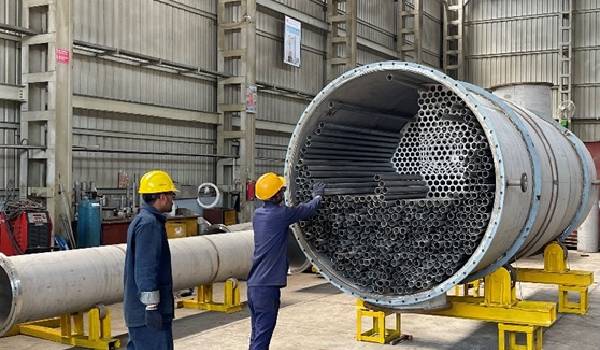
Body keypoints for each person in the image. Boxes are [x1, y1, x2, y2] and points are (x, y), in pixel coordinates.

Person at [247, 172, 325, 350]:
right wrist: (318, 197)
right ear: (275, 196)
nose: (283, 193)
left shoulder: (258, 214)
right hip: (267, 288)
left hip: (254, 286)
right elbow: (307, 210)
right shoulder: (279, 215)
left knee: (257, 333)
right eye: (281, 191)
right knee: (262, 337)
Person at [124, 170, 177, 350]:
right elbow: (146, 268)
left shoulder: (144, 220)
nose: (172, 199)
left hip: (140, 314)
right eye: (171, 194)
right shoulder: (149, 225)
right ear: (161, 197)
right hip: (147, 316)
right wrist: (151, 307)